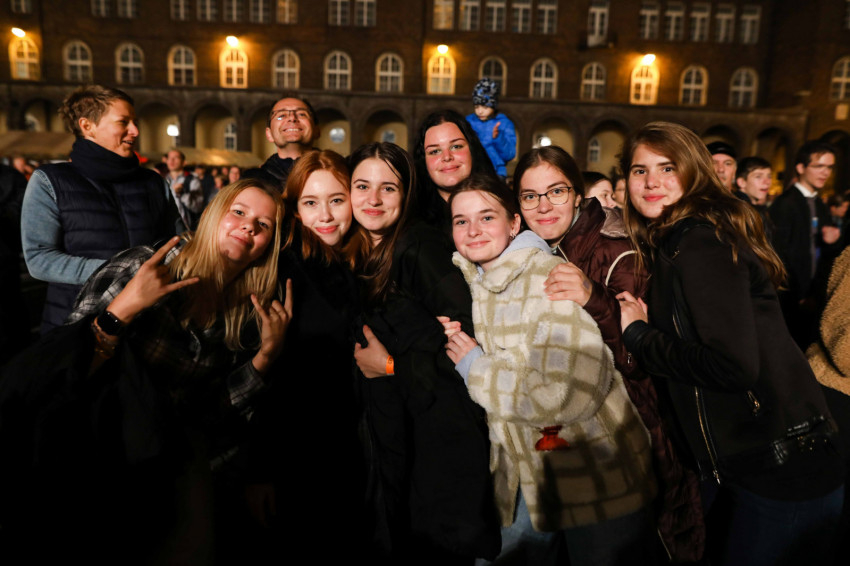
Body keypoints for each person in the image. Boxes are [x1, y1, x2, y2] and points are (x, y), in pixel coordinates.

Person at [2, 178, 290, 563]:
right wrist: (124, 308)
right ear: (212, 214)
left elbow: (212, 414)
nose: (249, 226)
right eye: (238, 212)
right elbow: (64, 372)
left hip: (166, 467)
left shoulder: (246, 312)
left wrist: (266, 356)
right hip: (95, 456)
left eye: (263, 224)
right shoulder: (144, 264)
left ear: (268, 244)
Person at [617, 121, 844, 566]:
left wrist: (639, 336)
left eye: (667, 168)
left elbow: (731, 365)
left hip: (782, 465)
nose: (652, 182)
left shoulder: (700, 241)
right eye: (640, 170)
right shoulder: (680, 239)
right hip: (762, 457)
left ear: (694, 172)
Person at [444, 174, 656, 566]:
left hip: (596, 478)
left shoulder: (544, 278)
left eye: (486, 217)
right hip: (535, 477)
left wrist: (476, 368)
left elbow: (566, 392)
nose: (473, 230)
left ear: (514, 223)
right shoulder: (477, 280)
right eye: (461, 220)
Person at [514, 147, 704, 562]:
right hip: (559, 438)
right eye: (530, 196)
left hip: (617, 442)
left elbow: (638, 361)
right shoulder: (531, 252)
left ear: (577, 195)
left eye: (556, 192)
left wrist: (592, 296)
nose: (543, 206)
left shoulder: (618, 252)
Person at [348, 142, 500, 564]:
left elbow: (465, 347)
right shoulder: (361, 251)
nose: (374, 199)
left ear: (407, 193)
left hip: (435, 450)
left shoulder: (420, 247)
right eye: (362, 186)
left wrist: (390, 366)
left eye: (388, 188)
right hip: (397, 437)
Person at [239, 150, 368, 563]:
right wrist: (259, 470)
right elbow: (266, 378)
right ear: (295, 209)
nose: (325, 215)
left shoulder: (356, 260)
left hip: (347, 448)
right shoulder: (285, 269)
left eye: (336, 199)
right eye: (311, 202)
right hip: (297, 456)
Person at [21, 85, 180, 333]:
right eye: (123, 122)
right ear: (88, 126)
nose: (135, 131)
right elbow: (39, 259)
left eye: (135, 122)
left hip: (147, 325)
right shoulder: (49, 180)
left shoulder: (154, 182)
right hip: (76, 322)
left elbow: (176, 242)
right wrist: (122, 274)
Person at [770, 140, 842, 348]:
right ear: (801, 168)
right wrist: (799, 294)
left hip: (812, 296)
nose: (825, 172)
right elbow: (779, 254)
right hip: (790, 299)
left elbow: (821, 252)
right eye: (819, 166)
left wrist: (832, 242)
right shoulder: (785, 204)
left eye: (829, 167)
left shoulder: (819, 204)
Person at [413, 109, 497, 231]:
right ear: (423, 160)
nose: (447, 157)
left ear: (472, 150)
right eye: (435, 151)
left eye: (456, 146)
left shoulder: (502, 205)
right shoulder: (411, 221)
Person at [244, 94, 318, 191]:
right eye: (281, 116)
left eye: (301, 114)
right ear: (269, 134)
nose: (292, 118)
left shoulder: (335, 170)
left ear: (316, 130)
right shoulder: (252, 182)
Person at [465, 78, 517, 179]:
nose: (480, 111)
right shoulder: (468, 122)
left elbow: (509, 154)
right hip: (472, 171)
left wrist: (498, 138)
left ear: (493, 105)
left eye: (485, 107)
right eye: (476, 107)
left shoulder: (504, 124)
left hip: (496, 173)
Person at [734, 156, 774, 240]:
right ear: (742, 182)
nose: (767, 182)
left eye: (769, 176)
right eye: (758, 176)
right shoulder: (737, 212)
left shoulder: (757, 209)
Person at [165, 149, 204, 230]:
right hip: (167, 227)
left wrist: (182, 194)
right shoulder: (163, 180)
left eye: (176, 158)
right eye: (169, 158)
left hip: (186, 228)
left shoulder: (192, 180)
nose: (172, 160)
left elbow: (198, 207)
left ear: (183, 162)